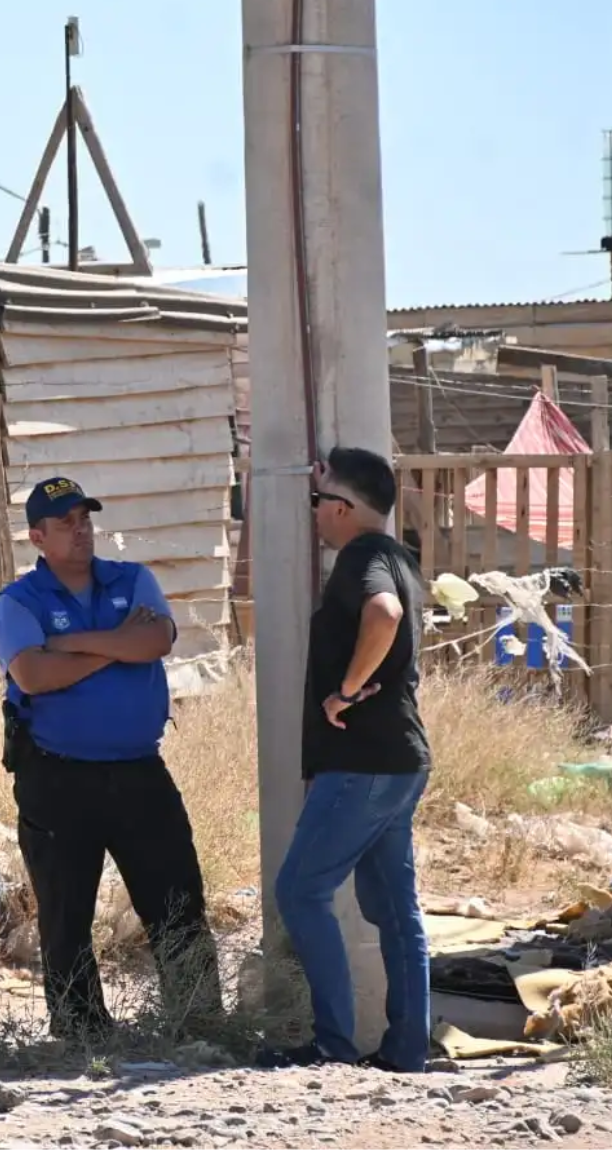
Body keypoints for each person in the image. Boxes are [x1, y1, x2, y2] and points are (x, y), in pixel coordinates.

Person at [0, 476, 223, 1041]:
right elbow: (34, 675)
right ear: (37, 536)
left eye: (85, 519)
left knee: (177, 900)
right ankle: (81, 1031)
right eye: (65, 523)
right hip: (57, 774)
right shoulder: (19, 602)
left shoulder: (132, 579)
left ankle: (198, 1020)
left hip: (139, 770)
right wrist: (113, 643)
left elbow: (155, 641)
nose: (80, 531)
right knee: (66, 914)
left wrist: (72, 642)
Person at [259, 446, 432, 1073]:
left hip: (363, 762)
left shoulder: (363, 556)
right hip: (399, 759)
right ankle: (407, 1049)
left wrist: (349, 689)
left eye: (317, 502)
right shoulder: (398, 556)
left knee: (301, 891)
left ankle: (332, 1044)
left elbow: (381, 615)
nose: (314, 515)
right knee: (392, 910)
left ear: (341, 508)